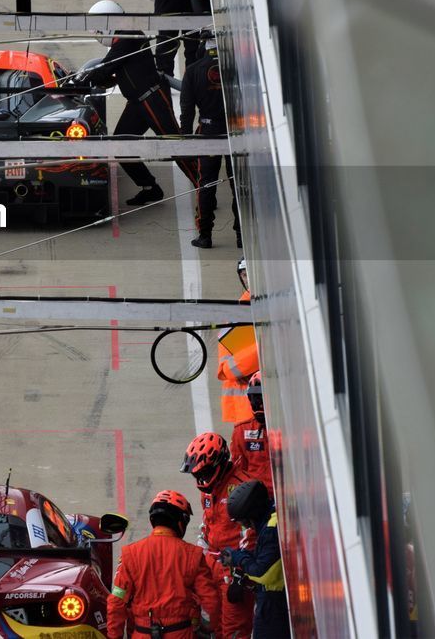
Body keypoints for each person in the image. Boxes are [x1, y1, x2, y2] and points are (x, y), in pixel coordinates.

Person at [85, 0, 200, 207]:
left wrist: (86, 77)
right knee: (120, 146)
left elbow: (108, 65)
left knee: (175, 145)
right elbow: (113, 72)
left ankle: (204, 186)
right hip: (137, 102)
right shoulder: (123, 38)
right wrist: (95, 77)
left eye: (99, 31)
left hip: (152, 98)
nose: (98, 36)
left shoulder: (128, 36)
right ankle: (150, 188)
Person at [106, 490, 220, 639]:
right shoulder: (193, 555)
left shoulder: (130, 554)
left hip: (142, 633)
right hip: (181, 633)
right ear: (181, 521)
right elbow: (211, 601)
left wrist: (114, 636)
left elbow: (117, 601)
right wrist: (210, 628)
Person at [181, 432, 253, 639]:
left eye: (204, 472)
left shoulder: (243, 487)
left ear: (219, 464)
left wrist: (240, 575)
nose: (201, 479)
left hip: (234, 569)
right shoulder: (208, 490)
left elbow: (250, 533)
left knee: (234, 629)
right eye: (197, 475)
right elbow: (208, 522)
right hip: (211, 565)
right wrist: (199, 554)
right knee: (211, 626)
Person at [180, 33, 238, 249]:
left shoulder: (194, 70)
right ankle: (242, 234)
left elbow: (186, 109)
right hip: (235, 131)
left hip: (208, 132)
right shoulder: (235, 67)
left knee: (206, 185)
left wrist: (186, 136)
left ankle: (205, 236)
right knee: (238, 184)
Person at [221, 480, 290, 639]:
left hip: (273, 605)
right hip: (276, 601)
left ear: (253, 514)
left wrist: (238, 559)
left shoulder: (270, 530)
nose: (247, 526)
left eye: (245, 521)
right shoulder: (273, 517)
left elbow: (262, 573)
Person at [217, 257, 260, 423]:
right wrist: (263, 348)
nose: (248, 279)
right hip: (246, 414)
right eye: (244, 275)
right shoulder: (233, 318)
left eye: (250, 274)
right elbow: (226, 370)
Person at [230, 372, 273, 493]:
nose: (258, 403)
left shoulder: (293, 429)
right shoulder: (242, 430)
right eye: (255, 398)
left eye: (261, 397)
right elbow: (237, 472)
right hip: (257, 500)